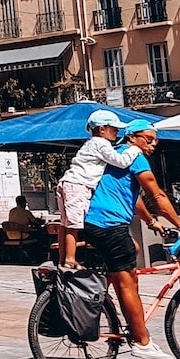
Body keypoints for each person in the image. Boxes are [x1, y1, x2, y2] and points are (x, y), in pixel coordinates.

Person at [83, 120, 180, 359]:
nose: (154, 144)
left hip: (96, 223)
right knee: (127, 280)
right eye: (149, 138)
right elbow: (157, 194)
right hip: (108, 224)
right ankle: (142, 342)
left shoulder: (117, 157)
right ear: (132, 137)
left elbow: (133, 198)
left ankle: (119, 311)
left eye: (156, 140)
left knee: (132, 251)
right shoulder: (135, 157)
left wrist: (150, 221)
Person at [55, 108, 140, 270]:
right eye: (114, 129)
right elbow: (120, 161)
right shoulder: (101, 143)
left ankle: (62, 259)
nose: (117, 132)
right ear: (102, 129)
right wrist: (135, 149)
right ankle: (70, 260)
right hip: (78, 185)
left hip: (68, 182)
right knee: (74, 224)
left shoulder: (90, 144)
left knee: (65, 223)